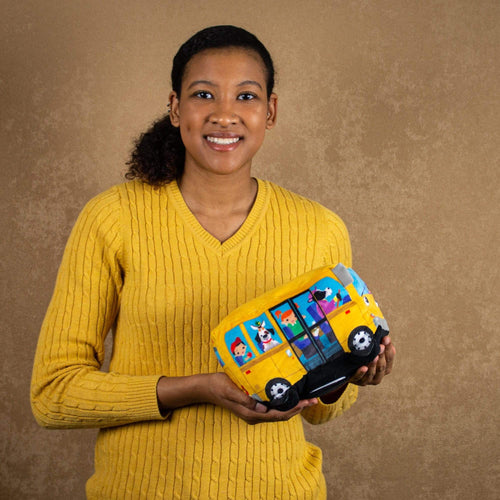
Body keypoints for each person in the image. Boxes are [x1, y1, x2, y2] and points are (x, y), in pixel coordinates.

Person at [31, 25, 395, 500]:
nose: (225, 115)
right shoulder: (113, 218)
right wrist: (193, 388)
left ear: (271, 111)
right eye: (204, 94)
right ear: (176, 107)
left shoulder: (320, 228)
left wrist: (354, 373)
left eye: (246, 96)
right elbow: (54, 394)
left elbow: (321, 410)